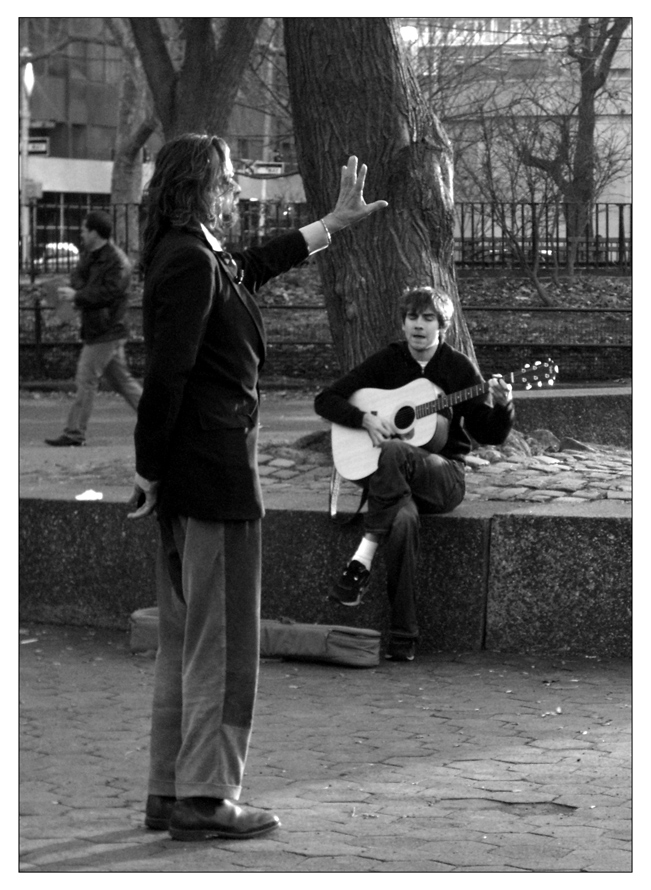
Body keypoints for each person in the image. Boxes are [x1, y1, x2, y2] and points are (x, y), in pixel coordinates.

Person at [126, 133, 387, 841]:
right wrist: (149, 469)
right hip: (212, 478)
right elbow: (166, 379)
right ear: (198, 188)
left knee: (187, 642)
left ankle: (170, 791)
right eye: (230, 178)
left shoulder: (194, 253)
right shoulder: (188, 258)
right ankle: (206, 797)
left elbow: (251, 265)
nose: (238, 188)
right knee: (222, 643)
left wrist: (328, 226)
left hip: (197, 474)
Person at [314, 285, 515, 662]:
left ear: (443, 327)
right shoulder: (387, 362)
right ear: (403, 324)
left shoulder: (457, 369)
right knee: (402, 522)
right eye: (412, 318)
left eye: (428, 319)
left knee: (394, 450)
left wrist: (503, 407)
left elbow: (489, 433)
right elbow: (325, 399)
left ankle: (363, 556)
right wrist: (364, 418)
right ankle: (403, 640)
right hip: (395, 488)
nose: (418, 326)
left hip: (442, 477)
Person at [45, 211, 142, 447]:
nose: (81, 233)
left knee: (86, 378)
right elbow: (78, 278)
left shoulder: (117, 262)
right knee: (123, 383)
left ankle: (74, 432)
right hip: (101, 328)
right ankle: (160, 419)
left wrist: (77, 295)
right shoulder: (92, 256)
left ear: (95, 233)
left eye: (84, 229)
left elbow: (108, 293)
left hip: (107, 330)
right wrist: (75, 291)